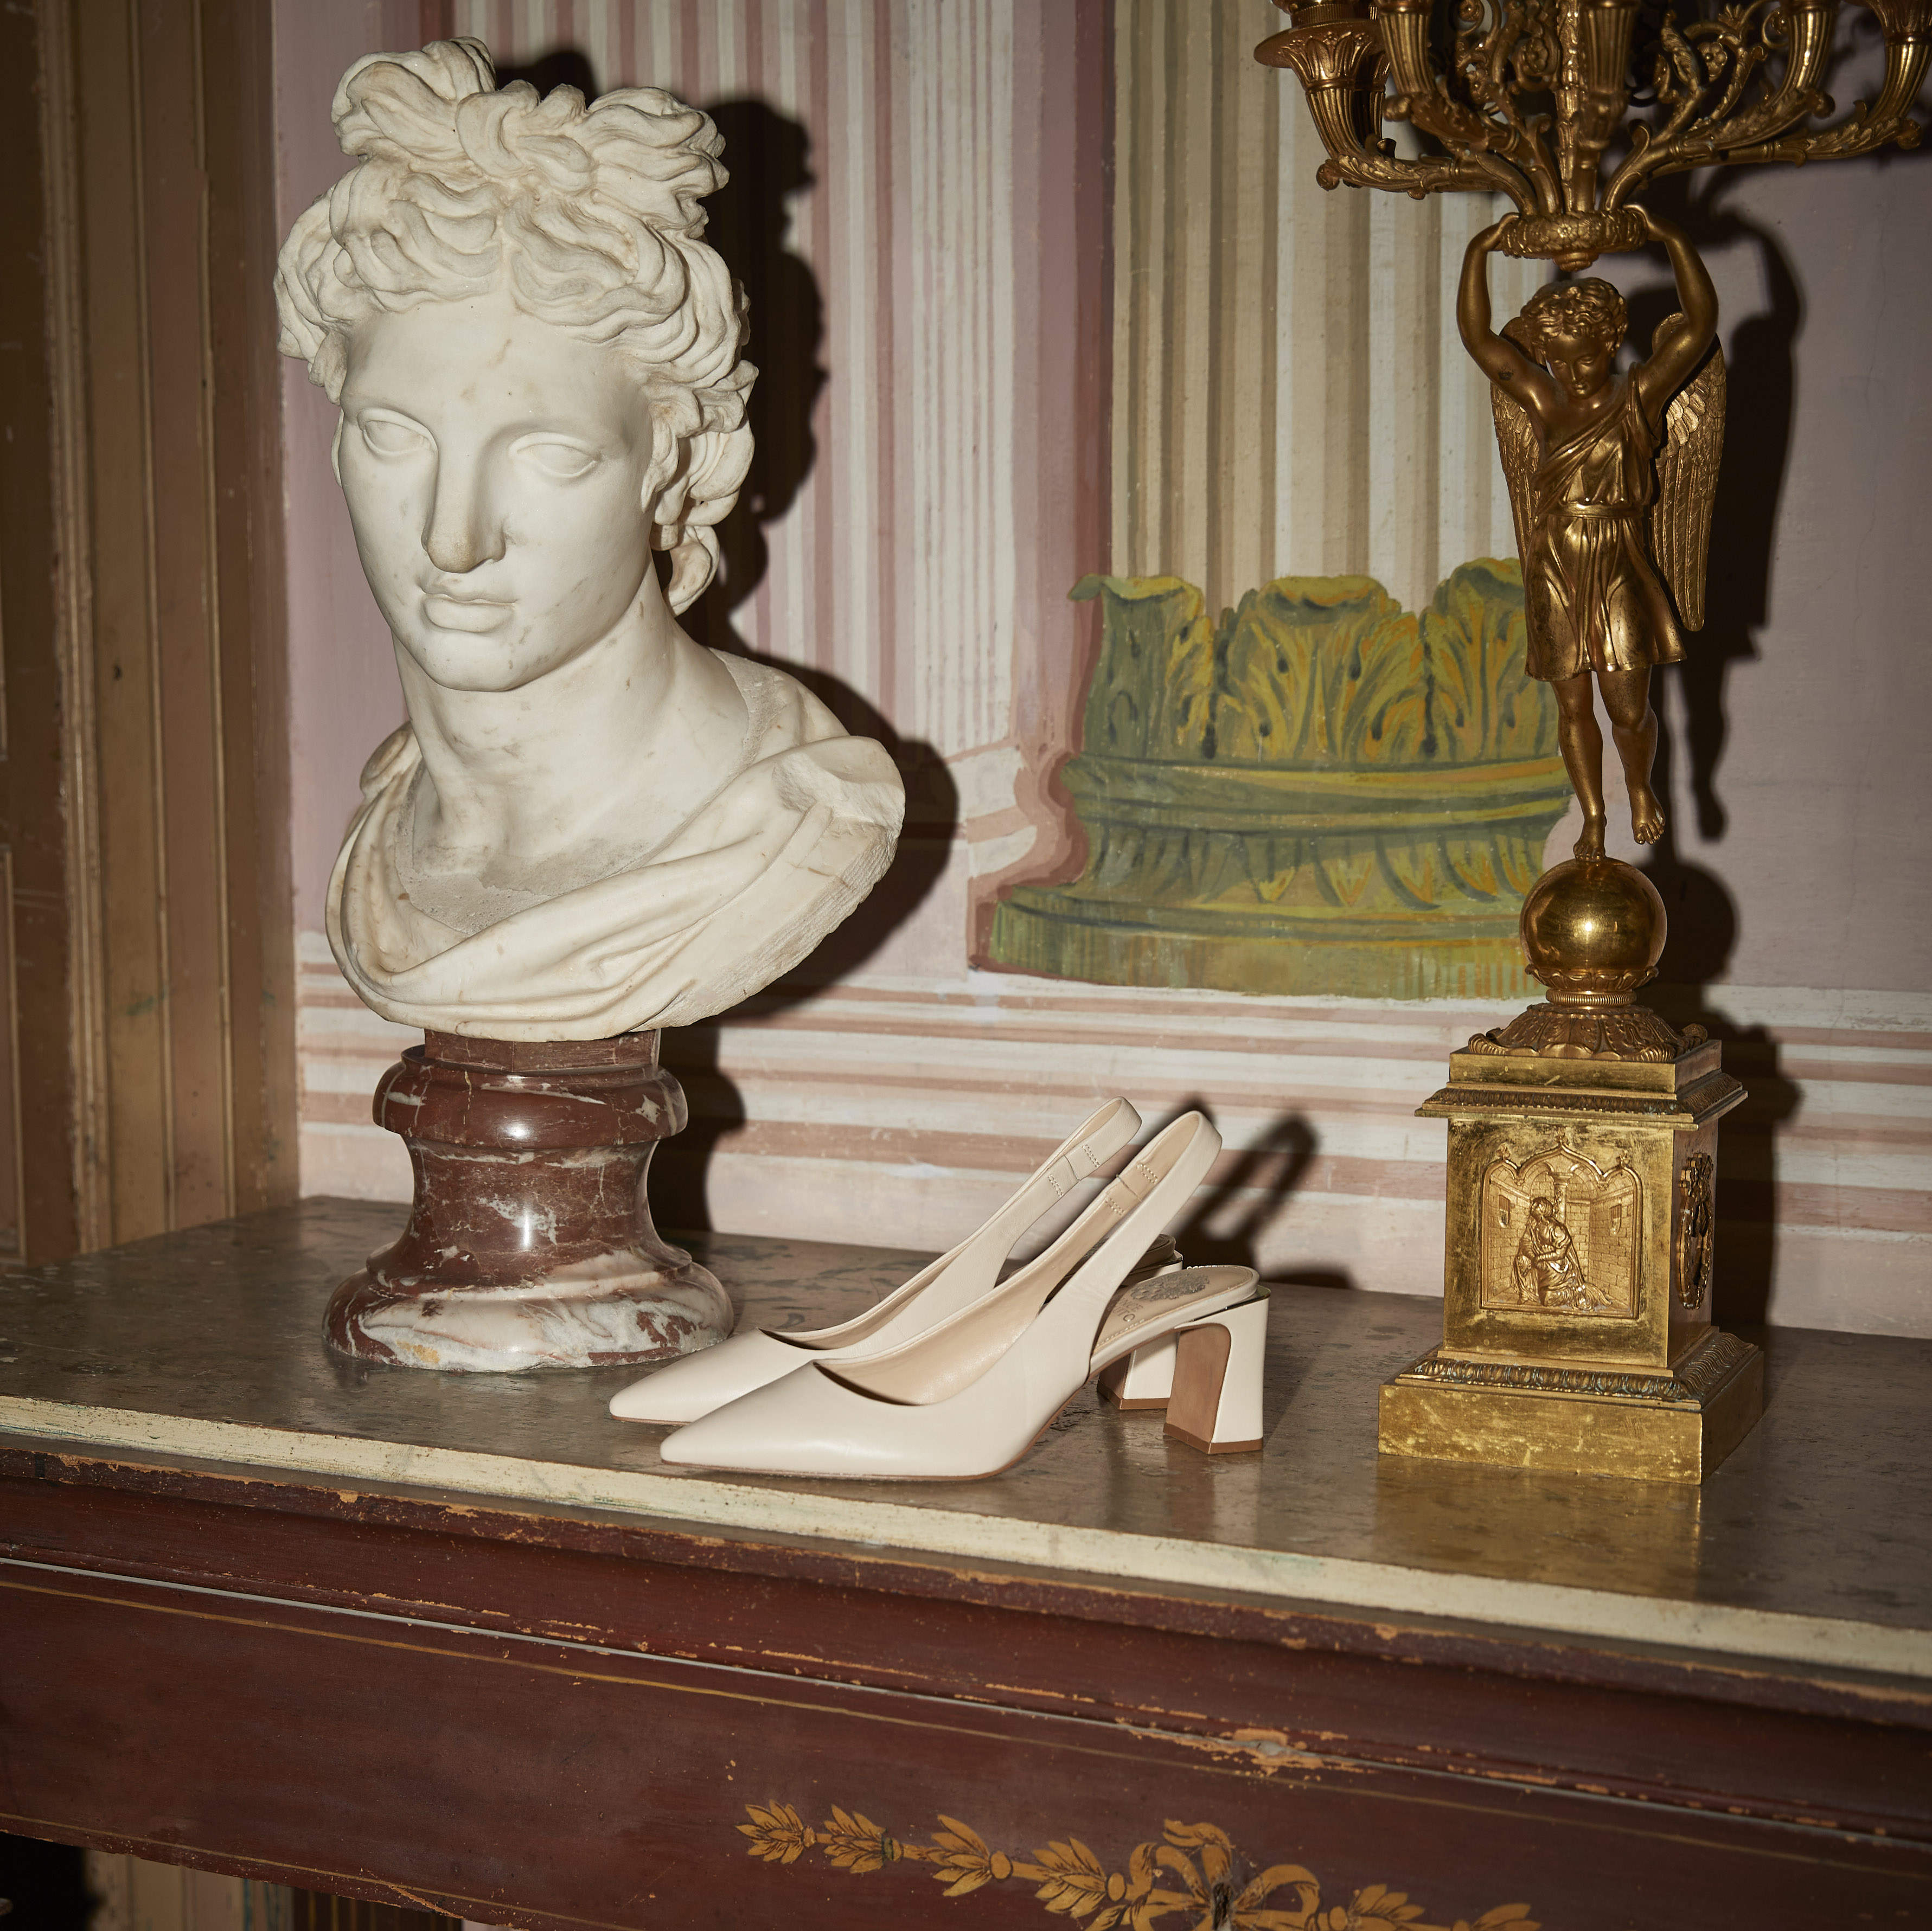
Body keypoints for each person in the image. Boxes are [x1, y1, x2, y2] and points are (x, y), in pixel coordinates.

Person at [276, 40, 903, 1039]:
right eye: (393, 436)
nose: (453, 539)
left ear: (673, 464)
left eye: (551, 456)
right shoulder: (387, 829)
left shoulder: (781, 817)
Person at [1458, 209, 1719, 862]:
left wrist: (1673, 237)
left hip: (1618, 560)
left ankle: (1638, 787)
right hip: (1555, 567)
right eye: (1560, 363)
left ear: (1610, 345)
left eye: (1586, 360)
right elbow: (1478, 339)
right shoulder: (1544, 405)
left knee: (1627, 707)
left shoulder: (1638, 398)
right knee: (1572, 708)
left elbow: (1697, 328)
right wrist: (1477, 251)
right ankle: (1594, 817)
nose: (1573, 375)